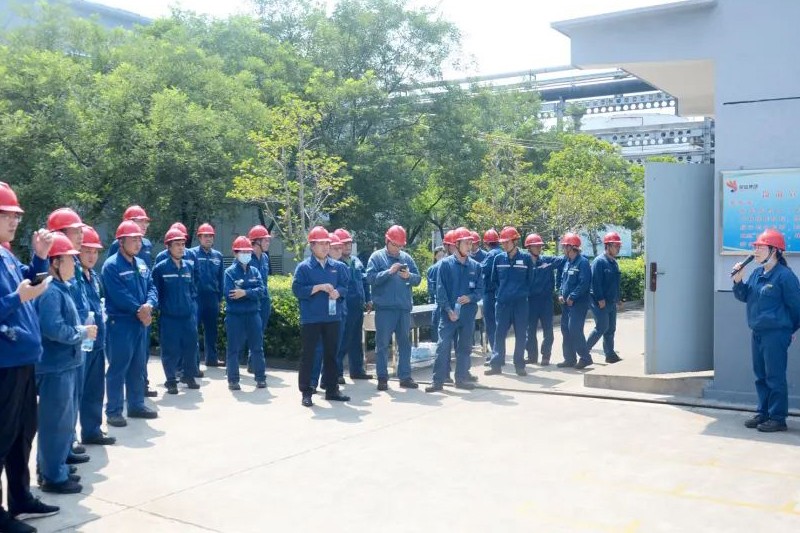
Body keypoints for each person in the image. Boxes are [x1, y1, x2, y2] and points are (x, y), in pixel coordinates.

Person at [0, 182, 60, 532]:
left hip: (22, 360)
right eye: (6, 214)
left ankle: (20, 497)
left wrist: (39, 257)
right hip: (4, 363)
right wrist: (17, 299)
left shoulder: (6, 255)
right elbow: (16, 296)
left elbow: (26, 279)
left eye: (16, 216)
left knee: (22, 433)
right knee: (1, 435)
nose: (14, 221)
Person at [35, 233, 98, 495]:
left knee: (63, 421)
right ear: (55, 263)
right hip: (55, 367)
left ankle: (56, 466)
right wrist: (81, 332)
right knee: (55, 423)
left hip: (65, 365)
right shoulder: (50, 291)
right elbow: (53, 328)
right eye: (70, 259)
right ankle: (53, 476)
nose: (75, 263)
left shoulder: (61, 288)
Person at [733, 228, 800, 432]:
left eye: (760, 247)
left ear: (774, 250)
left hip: (776, 334)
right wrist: (738, 281)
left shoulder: (785, 276)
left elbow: (797, 307)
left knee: (775, 376)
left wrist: (789, 330)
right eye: (755, 247)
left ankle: (778, 418)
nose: (756, 250)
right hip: (758, 333)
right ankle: (763, 412)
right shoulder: (756, 273)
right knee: (760, 376)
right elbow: (744, 296)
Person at [102, 220, 159, 427]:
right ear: (121, 242)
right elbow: (118, 294)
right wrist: (139, 309)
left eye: (139, 240)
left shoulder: (141, 263)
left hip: (140, 323)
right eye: (133, 240)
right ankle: (114, 411)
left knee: (137, 366)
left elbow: (152, 286)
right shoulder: (111, 266)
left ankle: (136, 405)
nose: (137, 244)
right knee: (118, 368)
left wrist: (149, 304)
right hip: (121, 323)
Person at [292, 227, 350, 407]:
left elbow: (345, 286)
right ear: (312, 246)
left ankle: (332, 389)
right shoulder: (304, 267)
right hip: (311, 318)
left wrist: (338, 292)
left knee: (332, 354)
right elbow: (297, 290)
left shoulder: (338, 267)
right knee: (308, 355)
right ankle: (307, 391)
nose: (325, 247)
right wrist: (317, 288)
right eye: (321, 244)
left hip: (332, 318)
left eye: (327, 243)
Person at [426, 227, 483, 392]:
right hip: (448, 314)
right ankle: (437, 381)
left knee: (464, 347)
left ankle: (461, 379)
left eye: (471, 243)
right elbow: (440, 290)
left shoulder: (476, 266)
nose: (469, 246)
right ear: (457, 244)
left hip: (467, 314)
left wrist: (470, 298)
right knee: (443, 347)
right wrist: (448, 310)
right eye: (466, 243)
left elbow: (480, 290)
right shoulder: (445, 265)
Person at [366, 225, 422, 391]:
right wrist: (389, 272)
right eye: (394, 245)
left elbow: (418, 279)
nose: (397, 249)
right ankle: (382, 377)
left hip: (403, 308)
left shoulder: (406, 258)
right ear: (387, 240)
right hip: (385, 309)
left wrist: (409, 276)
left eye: (400, 246)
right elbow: (370, 278)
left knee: (405, 344)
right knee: (382, 344)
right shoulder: (377, 257)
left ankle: (405, 376)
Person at [77, 226, 116, 446]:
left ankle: (92, 430)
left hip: (97, 341)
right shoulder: (73, 276)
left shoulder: (94, 277)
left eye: (95, 251)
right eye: (87, 251)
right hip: (81, 342)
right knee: (75, 393)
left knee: (94, 390)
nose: (92, 256)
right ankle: (68, 440)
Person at [152, 229, 200, 395]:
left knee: (190, 347)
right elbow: (155, 291)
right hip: (169, 317)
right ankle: (171, 380)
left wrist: (191, 305)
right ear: (168, 247)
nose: (181, 248)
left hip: (187, 316)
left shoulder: (188, 266)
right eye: (177, 244)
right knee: (170, 350)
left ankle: (189, 376)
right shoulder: (160, 268)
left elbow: (192, 288)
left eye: (183, 244)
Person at [485, 226, 532, 377]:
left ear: (515, 241)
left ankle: (519, 365)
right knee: (499, 334)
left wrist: (520, 294)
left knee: (521, 335)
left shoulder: (526, 259)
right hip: (503, 303)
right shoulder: (498, 259)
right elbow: (494, 280)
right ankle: (496, 365)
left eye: (507, 242)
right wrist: (503, 293)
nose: (504, 245)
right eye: (502, 242)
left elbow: (530, 280)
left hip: (520, 304)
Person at [223, 237, 267, 391]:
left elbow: (261, 291)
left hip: (253, 314)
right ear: (235, 253)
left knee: (257, 348)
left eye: (248, 251)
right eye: (242, 252)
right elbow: (230, 294)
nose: (246, 254)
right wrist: (250, 293)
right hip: (235, 316)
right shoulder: (229, 272)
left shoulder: (255, 271)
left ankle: (260, 378)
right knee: (233, 349)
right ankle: (233, 380)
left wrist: (245, 292)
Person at [334, 228, 373, 380]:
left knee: (356, 339)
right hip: (344, 306)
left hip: (357, 305)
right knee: (343, 339)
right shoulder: (335, 263)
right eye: (344, 244)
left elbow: (364, 282)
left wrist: (368, 299)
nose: (348, 246)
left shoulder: (356, 261)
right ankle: (337, 373)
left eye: (349, 243)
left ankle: (357, 370)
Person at [556, 232, 593, 369]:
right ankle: (569, 359)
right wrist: (561, 293)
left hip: (578, 304)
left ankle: (585, 358)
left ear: (571, 247)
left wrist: (572, 296)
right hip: (566, 304)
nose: (563, 249)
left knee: (574, 329)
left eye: (565, 246)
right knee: (565, 329)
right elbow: (563, 280)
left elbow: (584, 283)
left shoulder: (583, 262)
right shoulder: (567, 262)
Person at [586, 231, 623, 364]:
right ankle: (584, 351)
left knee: (611, 328)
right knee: (602, 327)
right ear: (608, 246)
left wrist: (618, 298)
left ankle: (610, 354)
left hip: (611, 301)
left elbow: (615, 283)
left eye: (619, 246)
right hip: (599, 301)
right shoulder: (599, 261)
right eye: (616, 246)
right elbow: (595, 282)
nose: (618, 248)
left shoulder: (613, 262)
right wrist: (600, 299)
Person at [191, 223, 224, 367]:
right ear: (199, 238)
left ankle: (212, 358)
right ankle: (194, 362)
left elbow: (221, 279)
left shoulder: (218, 256)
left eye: (211, 236)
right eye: (205, 236)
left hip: (212, 297)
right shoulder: (191, 254)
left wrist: (220, 298)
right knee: (193, 330)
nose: (208, 238)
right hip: (197, 297)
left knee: (212, 329)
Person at [524, 233, 558, 366]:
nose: (539, 248)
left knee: (548, 330)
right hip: (530, 301)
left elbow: (562, 260)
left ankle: (546, 356)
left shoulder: (547, 261)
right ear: (529, 247)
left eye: (540, 246)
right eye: (536, 246)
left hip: (546, 301)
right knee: (530, 330)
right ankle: (532, 356)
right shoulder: (524, 263)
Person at [244, 225, 272, 371]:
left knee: (260, 331)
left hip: (264, 299)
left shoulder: (265, 258)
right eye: (265, 240)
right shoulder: (246, 258)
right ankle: (251, 362)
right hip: (252, 299)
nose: (268, 242)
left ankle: (253, 361)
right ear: (256, 242)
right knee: (252, 331)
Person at [480, 228, 503, 362]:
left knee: (491, 325)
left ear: (486, 243)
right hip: (501, 293)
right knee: (499, 325)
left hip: (490, 293)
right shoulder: (503, 253)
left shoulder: (491, 255)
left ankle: (496, 355)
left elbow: (482, 269)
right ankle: (500, 353)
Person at [426, 246, 446, 343]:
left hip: (442, 302)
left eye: (443, 256)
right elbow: (431, 288)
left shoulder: (448, 267)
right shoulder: (432, 269)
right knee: (437, 325)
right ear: (435, 257)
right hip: (437, 302)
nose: (441, 258)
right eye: (439, 256)